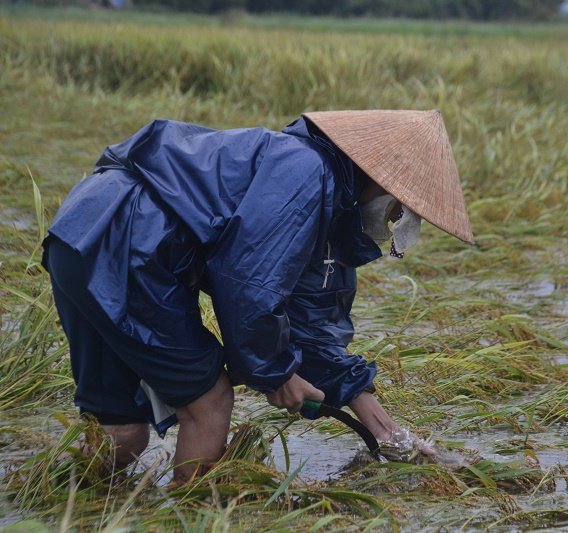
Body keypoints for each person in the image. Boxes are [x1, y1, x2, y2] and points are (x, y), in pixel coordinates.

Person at [42, 109, 473, 485]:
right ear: (380, 180)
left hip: (81, 236)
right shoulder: (305, 171)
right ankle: (189, 513)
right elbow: (247, 281)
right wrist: (274, 373)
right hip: (131, 243)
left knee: (121, 434)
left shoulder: (327, 208)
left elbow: (313, 330)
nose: (397, 221)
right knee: (209, 402)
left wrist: (390, 435)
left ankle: (37, 494)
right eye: (401, 209)